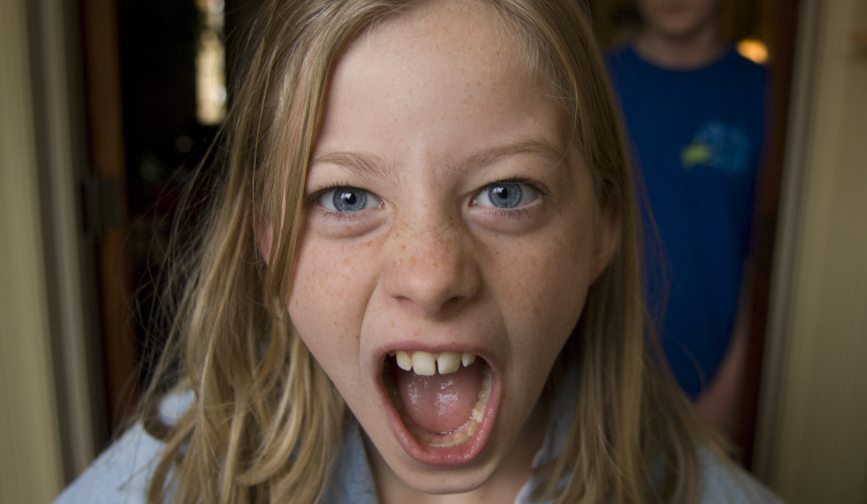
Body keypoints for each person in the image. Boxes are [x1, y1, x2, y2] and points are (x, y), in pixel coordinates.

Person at [55, 0, 782, 502]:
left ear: (600, 232)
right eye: (345, 198)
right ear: (269, 242)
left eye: (506, 193)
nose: (431, 277)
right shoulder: (179, 471)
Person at [604, 0, 766, 433]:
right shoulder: (594, 82)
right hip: (595, 382)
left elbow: (764, 266)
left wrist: (730, 393)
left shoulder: (766, 93)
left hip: (714, 389)